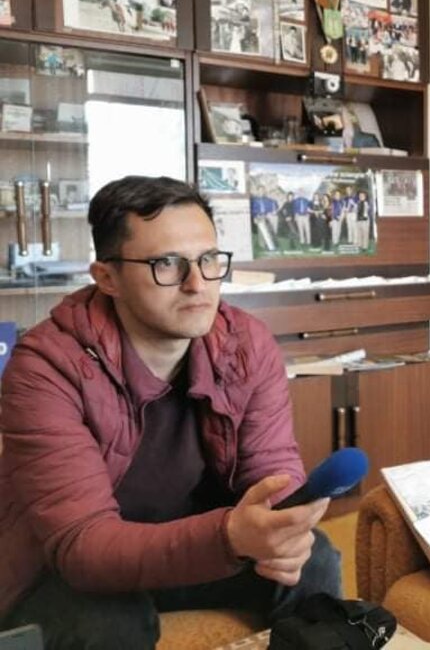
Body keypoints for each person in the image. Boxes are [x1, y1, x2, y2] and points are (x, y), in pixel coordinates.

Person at [0, 177, 340, 647]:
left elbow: (271, 467)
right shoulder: (46, 367)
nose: (197, 284)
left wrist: (284, 526)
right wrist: (229, 537)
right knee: (109, 620)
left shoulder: (246, 344)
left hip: (194, 551)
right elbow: (82, 544)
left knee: (315, 559)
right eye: (166, 264)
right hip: (70, 568)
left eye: (208, 259)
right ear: (107, 278)